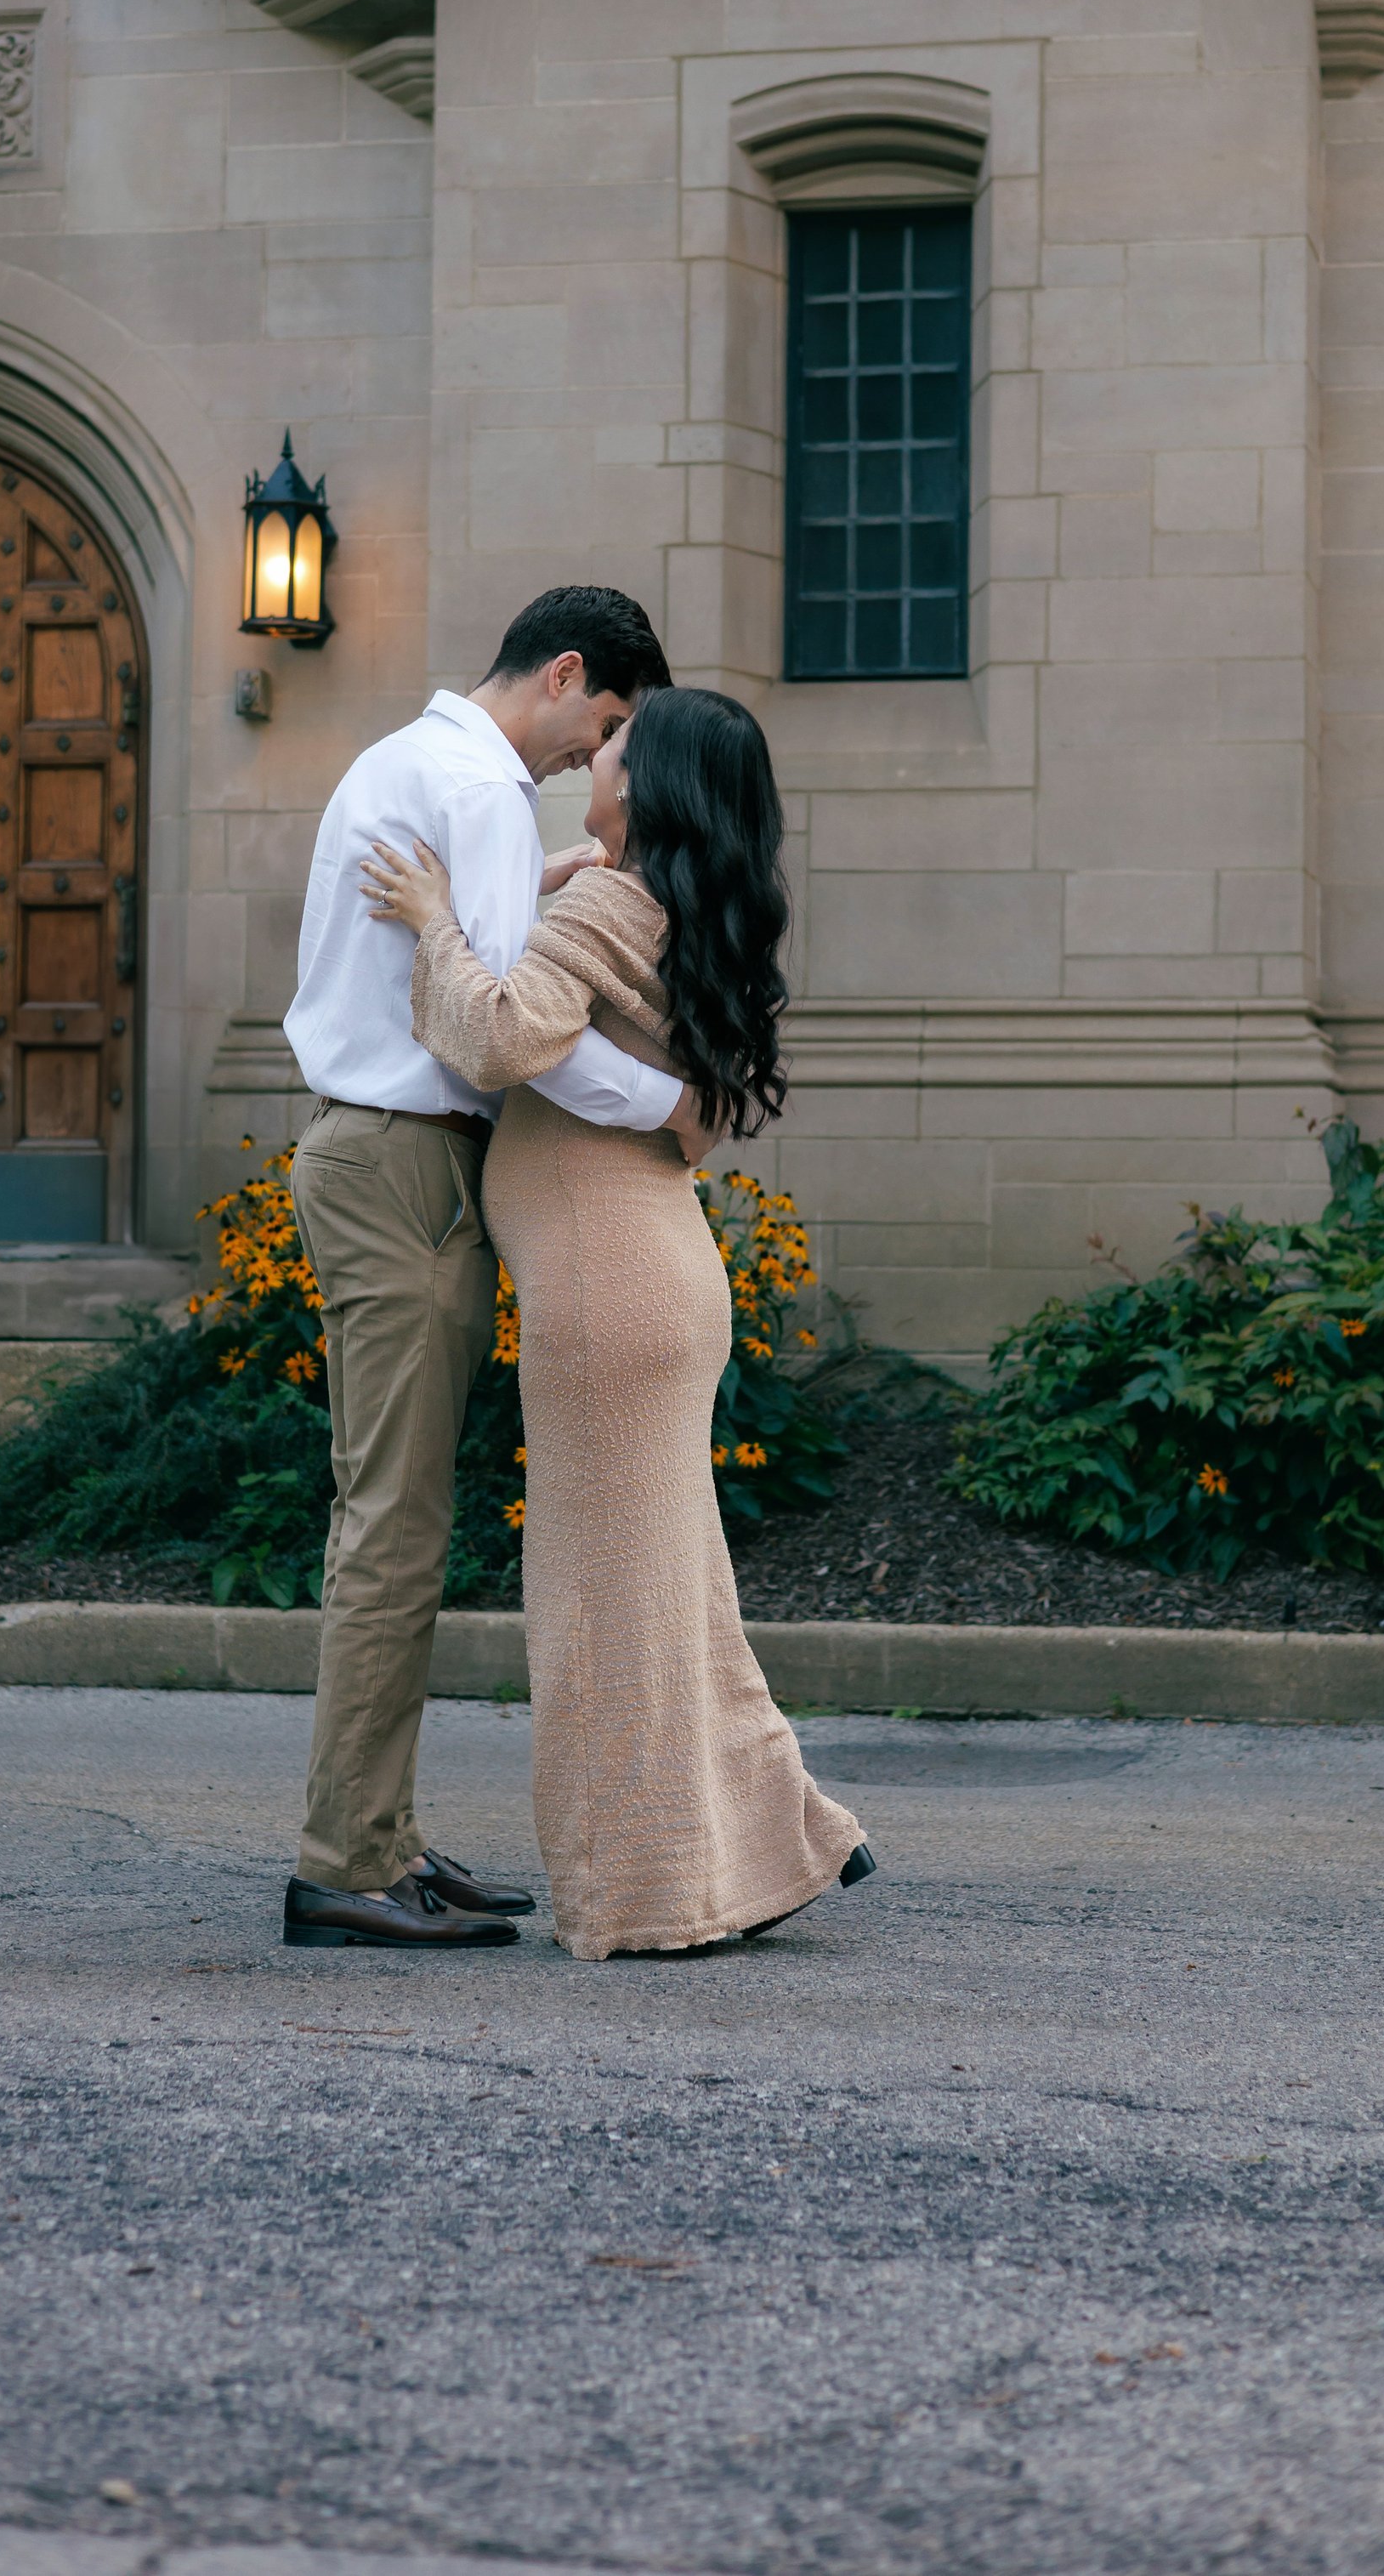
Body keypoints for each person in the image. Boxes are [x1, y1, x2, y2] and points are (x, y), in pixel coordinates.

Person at [360, 684, 874, 1960]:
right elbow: (676, 1098)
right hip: (658, 1276)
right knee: (673, 1594)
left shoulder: (603, 902)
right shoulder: (666, 905)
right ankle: (774, 1840)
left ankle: (642, 1891)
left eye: (613, 750)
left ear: (641, 790)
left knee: (602, 1609)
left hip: (605, 1289)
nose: (589, 758)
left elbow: (492, 1034)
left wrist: (433, 919)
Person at [279, 586, 719, 1954]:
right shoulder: (476, 786)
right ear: (573, 674)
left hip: (386, 1157)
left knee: (396, 1515)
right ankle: (348, 1859)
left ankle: (385, 1836)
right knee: (396, 1526)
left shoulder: (406, 762)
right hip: (407, 1161)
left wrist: (535, 884)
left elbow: (461, 954)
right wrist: (675, 1107)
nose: (600, 764)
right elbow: (500, 1034)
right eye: (607, 731)